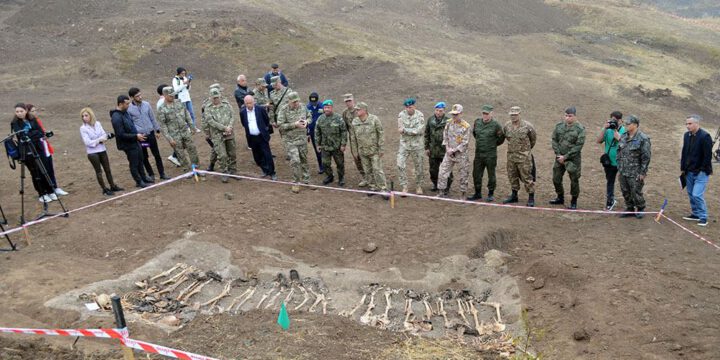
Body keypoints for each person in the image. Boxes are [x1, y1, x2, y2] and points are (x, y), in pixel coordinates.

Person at [10, 103, 56, 202]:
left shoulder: (32, 119)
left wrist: (31, 134)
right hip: (27, 151)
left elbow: (40, 132)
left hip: (39, 148)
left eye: (21, 111)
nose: (19, 113)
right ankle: (41, 193)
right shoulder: (15, 123)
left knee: (45, 169)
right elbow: (22, 135)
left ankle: (50, 191)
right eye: (17, 112)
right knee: (36, 172)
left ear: (26, 111)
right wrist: (33, 133)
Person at [26, 104, 69, 196]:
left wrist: (45, 135)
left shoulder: (37, 121)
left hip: (46, 148)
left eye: (35, 110)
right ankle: (46, 191)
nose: (35, 113)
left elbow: (41, 133)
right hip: (39, 150)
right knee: (43, 171)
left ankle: (54, 187)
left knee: (50, 169)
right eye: (32, 111)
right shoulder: (28, 123)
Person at [79, 107, 123, 196]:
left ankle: (112, 185)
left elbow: (104, 134)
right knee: (99, 171)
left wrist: (101, 139)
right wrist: (99, 140)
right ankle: (104, 189)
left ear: (91, 115)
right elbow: (88, 142)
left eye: (86, 115)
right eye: (83, 116)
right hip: (92, 153)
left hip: (102, 150)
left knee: (108, 169)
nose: (84, 118)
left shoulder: (98, 124)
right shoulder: (83, 128)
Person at [110, 95, 152, 188]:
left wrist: (136, 136)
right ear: (120, 104)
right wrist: (135, 136)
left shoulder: (125, 113)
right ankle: (138, 181)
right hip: (128, 144)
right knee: (134, 163)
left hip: (134, 141)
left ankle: (144, 177)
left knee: (140, 159)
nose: (128, 105)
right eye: (127, 103)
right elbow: (120, 134)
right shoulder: (116, 117)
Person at [128, 87, 168, 181]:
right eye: (137, 96)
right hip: (142, 137)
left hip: (150, 135)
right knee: (144, 156)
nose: (140, 97)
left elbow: (152, 118)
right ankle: (151, 174)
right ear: (132, 97)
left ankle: (162, 173)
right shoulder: (129, 109)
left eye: (140, 95)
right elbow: (130, 124)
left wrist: (157, 130)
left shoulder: (146, 104)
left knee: (156, 154)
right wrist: (136, 135)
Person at [157, 87, 200, 172]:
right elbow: (163, 126)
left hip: (185, 131)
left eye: (173, 95)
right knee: (180, 153)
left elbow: (186, 114)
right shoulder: (162, 109)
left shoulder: (179, 102)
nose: (173, 97)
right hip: (174, 135)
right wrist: (170, 139)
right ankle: (187, 170)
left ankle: (196, 168)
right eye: (170, 96)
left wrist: (192, 127)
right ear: (165, 95)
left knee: (192, 149)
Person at [550, 106, 586, 209]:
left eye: (569, 116)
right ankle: (559, 197)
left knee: (574, 180)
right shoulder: (559, 126)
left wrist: (565, 157)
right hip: (559, 158)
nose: (567, 118)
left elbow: (578, 146)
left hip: (572, 159)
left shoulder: (580, 129)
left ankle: (574, 201)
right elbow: (554, 140)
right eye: (566, 115)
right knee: (556, 178)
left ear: (574, 116)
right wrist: (558, 155)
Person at [616, 115, 651, 219]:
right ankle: (630, 208)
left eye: (628, 123)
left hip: (635, 171)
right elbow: (619, 151)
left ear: (635, 125)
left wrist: (643, 172)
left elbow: (646, 157)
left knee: (636, 191)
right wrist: (619, 166)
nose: (626, 125)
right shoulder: (623, 136)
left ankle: (640, 208)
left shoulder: (643, 138)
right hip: (623, 170)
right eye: (625, 123)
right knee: (625, 190)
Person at [681, 114, 713, 227]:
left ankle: (703, 216)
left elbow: (707, 156)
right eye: (686, 124)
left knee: (697, 194)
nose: (687, 126)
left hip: (701, 172)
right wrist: (683, 168)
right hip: (689, 171)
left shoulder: (705, 136)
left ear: (696, 124)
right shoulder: (686, 135)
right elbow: (685, 152)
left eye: (689, 124)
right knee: (691, 193)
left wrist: (702, 171)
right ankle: (695, 214)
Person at [468, 104, 504, 202]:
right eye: (483, 113)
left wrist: (492, 145)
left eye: (487, 114)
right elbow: (475, 134)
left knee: (491, 174)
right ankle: (477, 193)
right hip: (479, 154)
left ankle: (490, 193)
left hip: (490, 154)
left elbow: (501, 139)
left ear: (491, 114)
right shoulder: (477, 122)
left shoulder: (496, 125)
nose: (485, 115)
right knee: (476, 174)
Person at [502, 106, 537, 206]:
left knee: (527, 177)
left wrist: (525, 151)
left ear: (519, 114)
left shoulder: (527, 126)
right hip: (511, 156)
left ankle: (531, 197)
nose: (513, 117)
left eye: (515, 115)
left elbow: (533, 140)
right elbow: (506, 137)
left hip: (524, 157)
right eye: (512, 115)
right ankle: (514, 196)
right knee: (512, 176)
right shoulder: (507, 126)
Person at [351, 102, 388, 197]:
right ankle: (373, 187)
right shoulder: (355, 122)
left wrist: (381, 148)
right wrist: (355, 151)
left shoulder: (374, 119)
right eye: (356, 109)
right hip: (363, 151)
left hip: (374, 150)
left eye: (358, 109)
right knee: (367, 170)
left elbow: (381, 134)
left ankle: (383, 188)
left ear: (364, 110)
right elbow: (353, 138)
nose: (356, 111)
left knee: (377, 169)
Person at [277, 92, 310, 193]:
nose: (296, 103)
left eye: (297, 101)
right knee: (295, 160)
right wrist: (294, 124)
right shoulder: (283, 110)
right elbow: (280, 125)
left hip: (302, 139)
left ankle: (306, 180)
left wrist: (307, 122)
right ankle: (296, 182)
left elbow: (309, 117)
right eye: (294, 102)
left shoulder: (303, 107)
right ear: (289, 102)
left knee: (304, 159)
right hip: (290, 141)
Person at [437, 104, 470, 199]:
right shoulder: (448, 123)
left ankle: (463, 194)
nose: (454, 116)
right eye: (453, 114)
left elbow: (465, 142)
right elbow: (445, 136)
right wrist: (447, 148)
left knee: (463, 174)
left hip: (461, 154)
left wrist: (454, 150)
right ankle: (441, 192)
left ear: (461, 114)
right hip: (449, 153)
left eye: (456, 114)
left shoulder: (466, 126)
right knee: (442, 171)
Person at [204, 87, 237, 183]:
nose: (216, 99)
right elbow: (210, 121)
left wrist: (230, 126)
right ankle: (224, 172)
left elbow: (232, 115)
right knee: (222, 155)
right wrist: (224, 128)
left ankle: (233, 171)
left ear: (220, 96)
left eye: (217, 97)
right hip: (217, 135)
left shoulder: (226, 104)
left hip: (229, 133)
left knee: (232, 153)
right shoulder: (208, 108)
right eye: (214, 98)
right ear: (210, 97)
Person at [240, 95, 276, 180]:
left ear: (254, 102)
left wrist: (265, 130)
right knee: (257, 156)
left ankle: (272, 172)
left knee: (267, 155)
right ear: (245, 104)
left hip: (262, 136)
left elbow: (266, 120)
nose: (249, 105)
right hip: (252, 137)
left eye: (250, 103)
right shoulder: (242, 112)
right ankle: (265, 170)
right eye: (247, 103)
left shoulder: (260, 109)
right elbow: (243, 124)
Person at [596, 111, 626, 210]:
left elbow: (627, 145)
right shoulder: (607, 130)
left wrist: (617, 134)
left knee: (626, 182)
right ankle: (610, 201)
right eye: (613, 120)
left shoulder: (625, 131)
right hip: (609, 162)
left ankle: (630, 202)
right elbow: (599, 141)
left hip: (622, 162)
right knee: (610, 182)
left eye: (617, 120)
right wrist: (604, 128)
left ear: (621, 121)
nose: (615, 122)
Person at [314, 99, 347, 186]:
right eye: (325, 107)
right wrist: (317, 144)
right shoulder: (320, 119)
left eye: (328, 107)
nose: (327, 109)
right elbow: (317, 132)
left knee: (340, 163)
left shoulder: (338, 118)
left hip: (337, 147)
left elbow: (344, 131)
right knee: (325, 163)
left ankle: (341, 178)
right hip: (325, 146)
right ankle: (329, 176)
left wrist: (343, 144)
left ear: (332, 107)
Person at [397, 98, 425, 195]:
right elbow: (400, 129)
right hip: (404, 145)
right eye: (407, 107)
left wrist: (406, 131)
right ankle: (404, 186)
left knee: (419, 166)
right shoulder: (401, 115)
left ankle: (419, 186)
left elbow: (419, 131)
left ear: (414, 106)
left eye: (411, 107)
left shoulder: (420, 115)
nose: (409, 109)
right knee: (400, 164)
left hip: (417, 145)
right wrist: (410, 131)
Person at [425, 102, 452, 192]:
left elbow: (452, 136)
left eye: (440, 111)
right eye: (437, 110)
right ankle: (435, 184)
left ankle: (446, 187)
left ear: (444, 111)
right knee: (433, 170)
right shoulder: (430, 120)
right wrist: (427, 147)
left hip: (444, 150)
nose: (438, 112)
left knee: (446, 170)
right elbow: (426, 134)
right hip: (433, 150)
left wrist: (450, 149)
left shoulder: (448, 121)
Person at [342, 93, 366, 186]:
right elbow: (345, 127)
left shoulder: (359, 110)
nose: (348, 103)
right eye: (346, 101)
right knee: (357, 158)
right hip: (353, 141)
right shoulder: (345, 113)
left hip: (363, 139)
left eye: (349, 101)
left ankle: (371, 176)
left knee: (366, 157)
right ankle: (364, 177)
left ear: (353, 100)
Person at [157, 83, 181, 167]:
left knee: (180, 143)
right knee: (177, 143)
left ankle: (177, 157)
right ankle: (174, 156)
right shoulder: (161, 103)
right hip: (171, 127)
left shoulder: (167, 100)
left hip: (176, 126)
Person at [172, 67, 200, 132]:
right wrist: (184, 84)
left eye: (184, 73)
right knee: (184, 114)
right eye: (182, 73)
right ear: (178, 73)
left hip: (187, 98)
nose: (183, 75)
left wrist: (189, 83)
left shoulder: (185, 78)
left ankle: (193, 127)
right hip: (181, 99)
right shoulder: (175, 80)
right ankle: (187, 128)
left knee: (191, 113)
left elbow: (188, 89)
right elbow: (176, 90)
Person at [306, 92, 324, 174]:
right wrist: (308, 133)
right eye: (312, 102)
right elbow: (306, 121)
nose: (313, 103)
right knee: (317, 149)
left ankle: (327, 166)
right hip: (313, 132)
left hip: (323, 132)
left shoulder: (322, 106)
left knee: (325, 149)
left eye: (315, 102)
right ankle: (321, 166)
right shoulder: (307, 107)